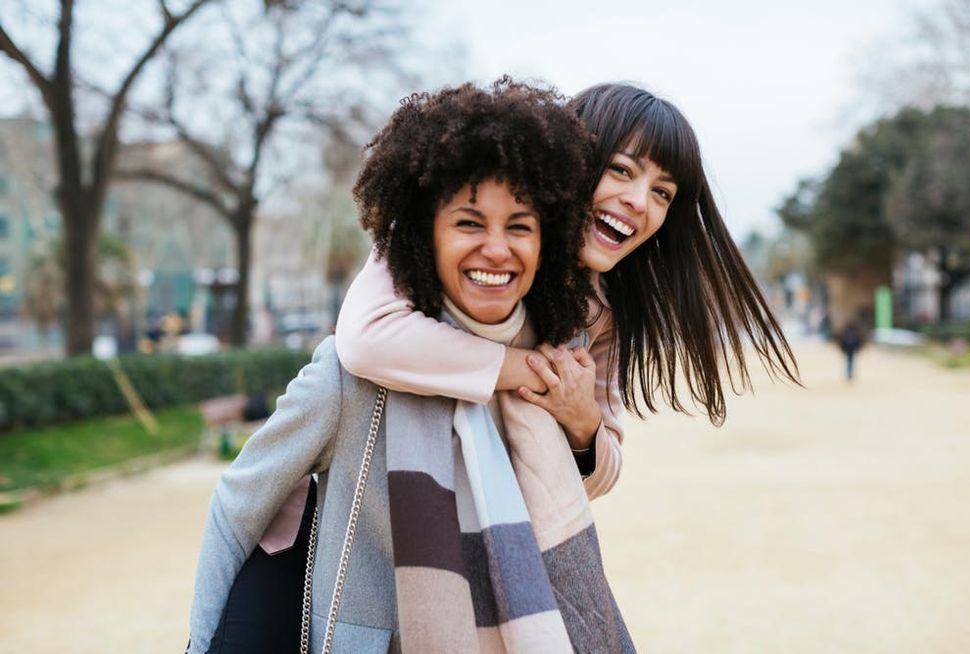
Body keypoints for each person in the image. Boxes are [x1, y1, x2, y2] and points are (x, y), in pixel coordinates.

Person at [186, 79, 633, 653]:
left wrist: (581, 423)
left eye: (520, 226)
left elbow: (581, 487)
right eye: (469, 223)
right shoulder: (352, 379)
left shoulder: (552, 367)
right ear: (426, 237)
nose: (497, 248)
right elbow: (240, 503)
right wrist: (201, 644)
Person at [336, 82, 801, 499]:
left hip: (504, 536)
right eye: (621, 170)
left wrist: (582, 419)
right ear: (572, 159)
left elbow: (599, 478)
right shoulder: (457, 228)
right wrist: (538, 373)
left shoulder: (601, 311)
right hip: (383, 509)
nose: (639, 202)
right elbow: (365, 341)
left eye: (662, 193)